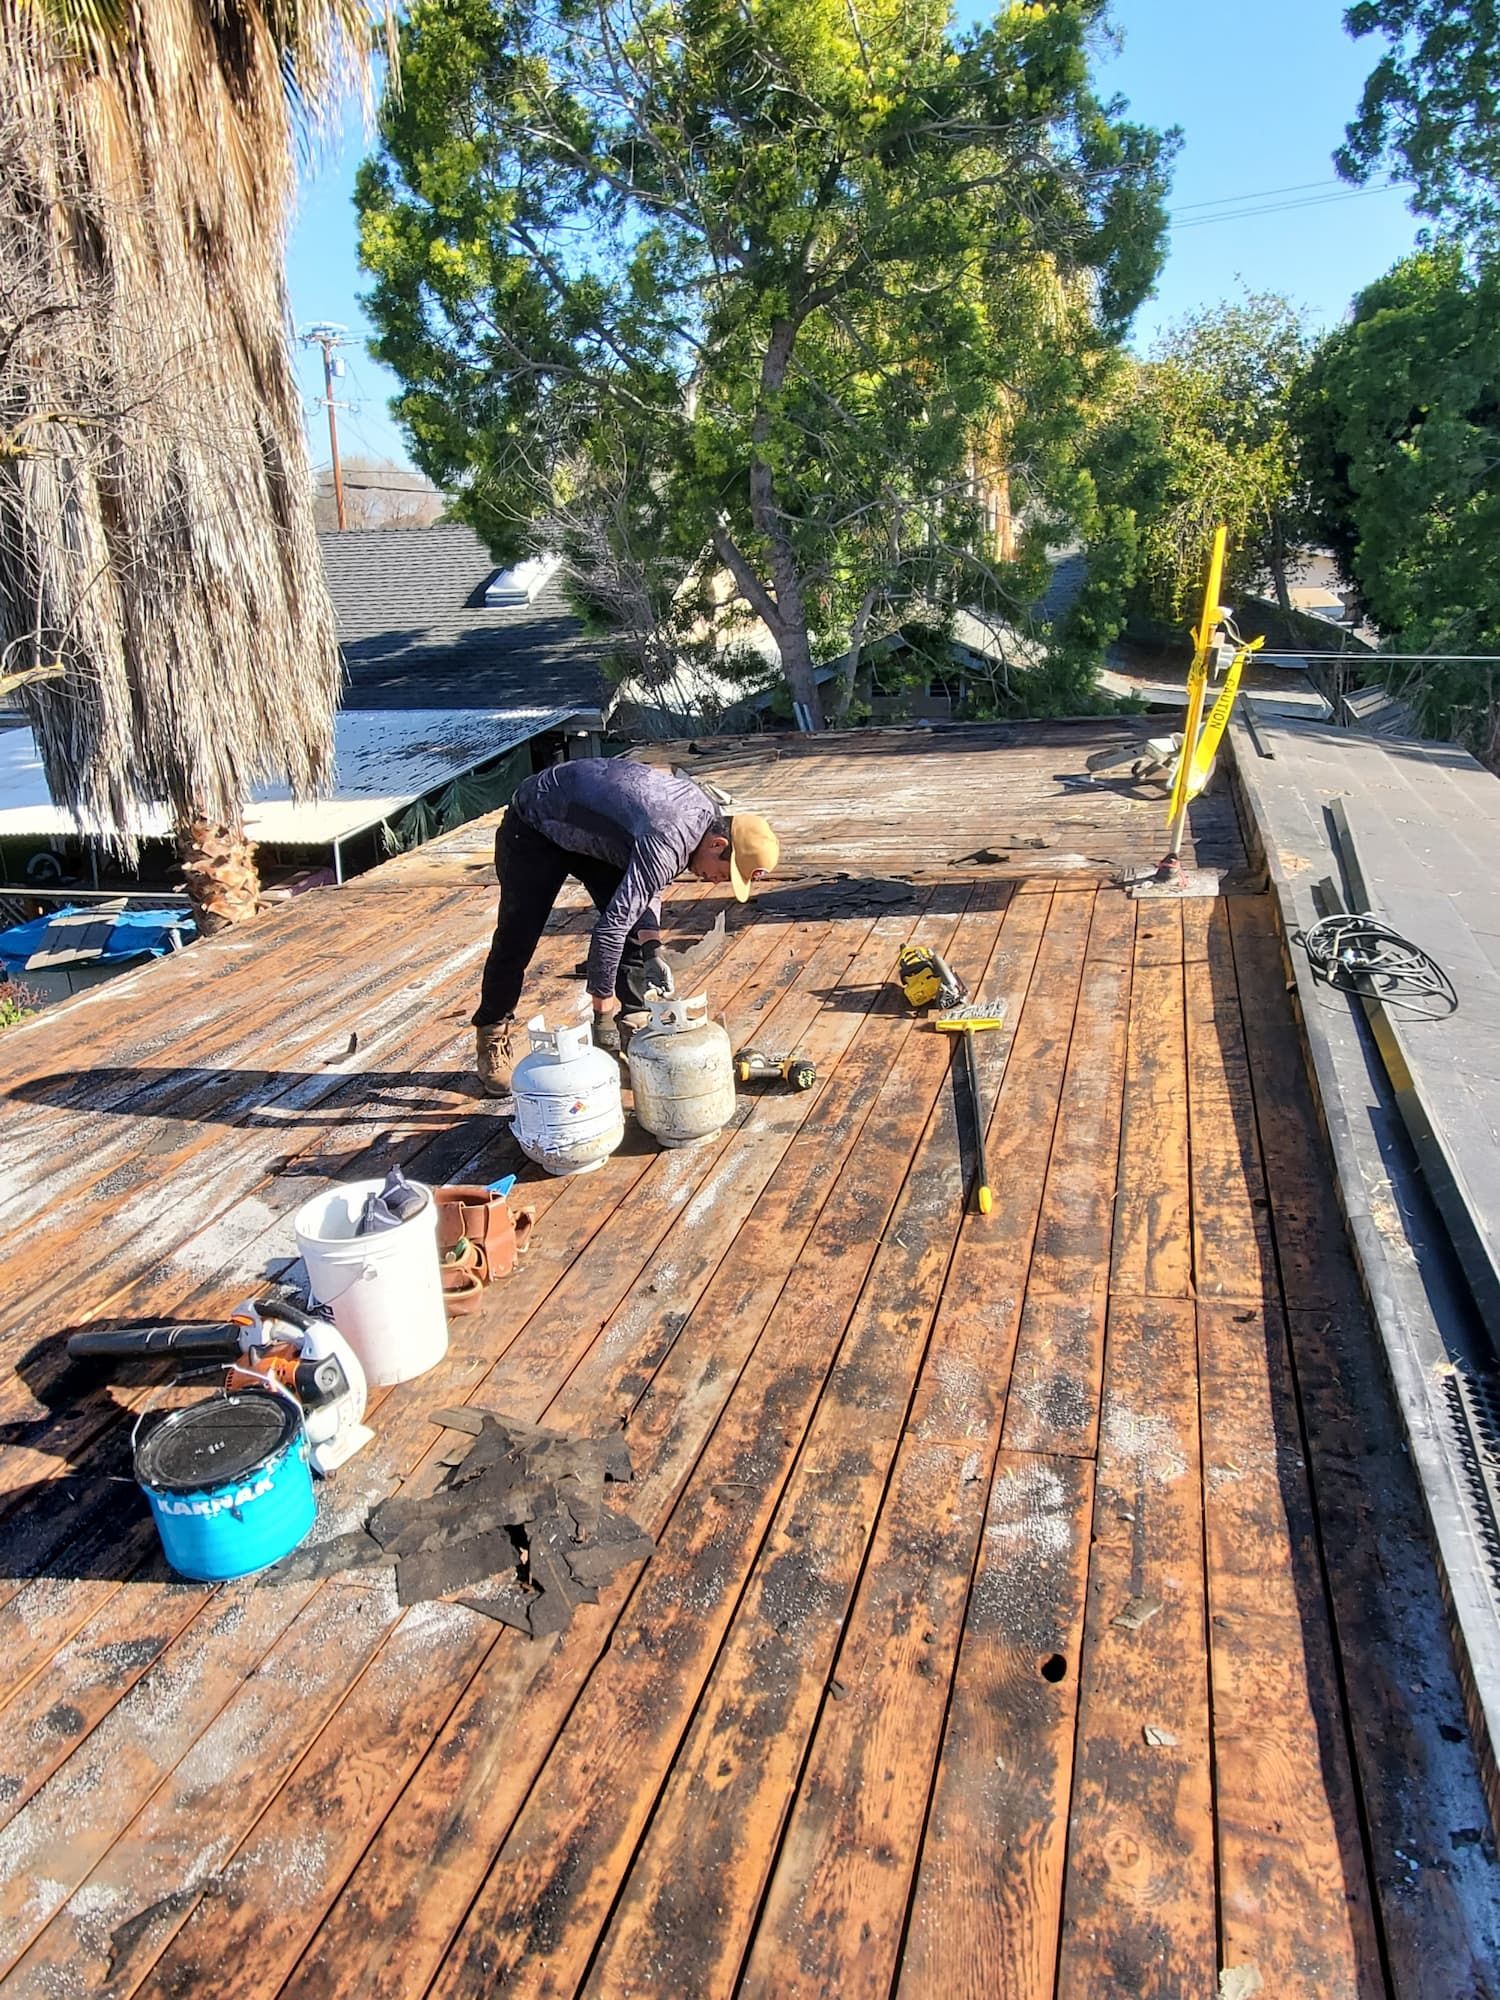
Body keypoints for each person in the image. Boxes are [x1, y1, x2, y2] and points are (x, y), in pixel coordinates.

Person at [472, 757, 779, 1096]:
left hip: (596, 831)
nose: (716, 881)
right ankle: (491, 1033)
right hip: (537, 824)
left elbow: (649, 885)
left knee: (635, 931)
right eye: (724, 873)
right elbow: (610, 929)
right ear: (718, 844)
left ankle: (634, 1029)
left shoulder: (703, 822)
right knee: (517, 937)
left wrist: (652, 949)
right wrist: (601, 1018)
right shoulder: (671, 834)